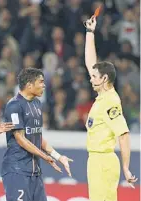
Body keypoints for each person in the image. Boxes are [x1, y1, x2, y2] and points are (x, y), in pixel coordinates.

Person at [84, 16, 138, 201]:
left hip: (103, 162)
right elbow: (91, 64)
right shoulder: (103, 97)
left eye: (95, 77)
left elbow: (123, 134)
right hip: (96, 161)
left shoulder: (110, 102)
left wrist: (126, 167)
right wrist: (90, 33)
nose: (91, 78)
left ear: (105, 79)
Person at [1, 68, 73, 201]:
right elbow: (20, 138)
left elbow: (37, 136)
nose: (44, 85)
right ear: (29, 85)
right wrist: (44, 157)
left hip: (35, 173)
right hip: (17, 170)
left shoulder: (37, 103)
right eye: (41, 82)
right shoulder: (14, 106)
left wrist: (57, 156)